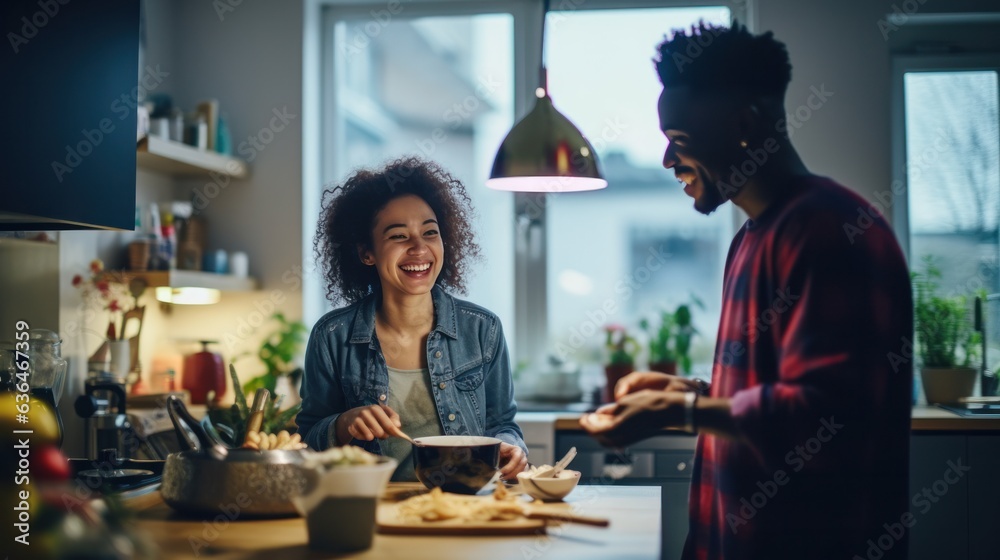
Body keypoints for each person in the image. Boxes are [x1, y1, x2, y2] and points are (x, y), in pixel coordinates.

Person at [580, 23, 913, 560]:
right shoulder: (751, 237)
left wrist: (685, 412)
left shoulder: (832, 231)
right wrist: (683, 392)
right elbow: (773, 387)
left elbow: (824, 416)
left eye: (680, 142)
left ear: (745, 126)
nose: (668, 161)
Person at [297, 157, 528, 481]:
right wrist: (344, 424)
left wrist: (510, 448)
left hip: (461, 506)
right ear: (367, 252)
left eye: (430, 232)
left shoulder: (482, 329)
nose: (419, 248)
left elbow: (503, 425)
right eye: (398, 236)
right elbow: (306, 440)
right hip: (372, 510)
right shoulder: (331, 336)